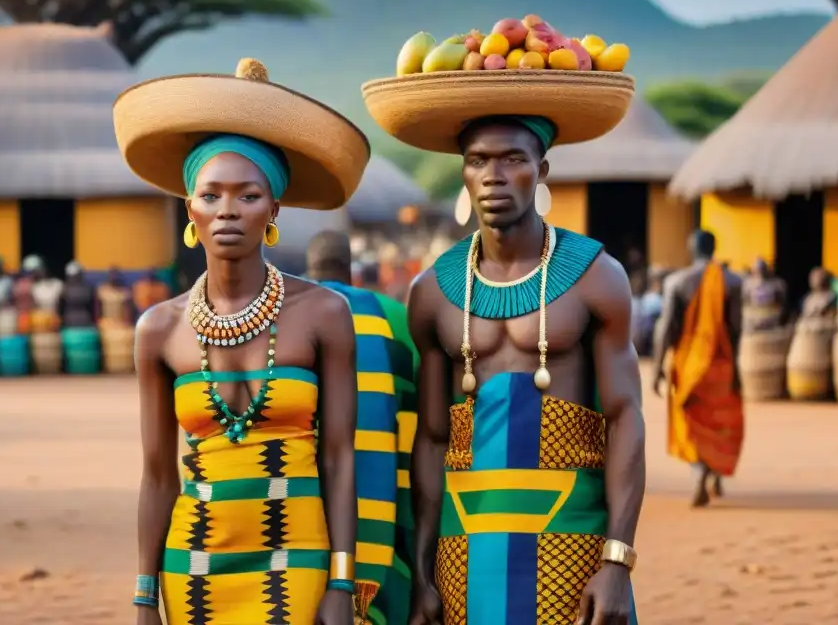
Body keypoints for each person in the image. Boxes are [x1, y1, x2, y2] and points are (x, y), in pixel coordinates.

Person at [364, 81, 644, 623]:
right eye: (478, 160)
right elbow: (432, 437)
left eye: (513, 158)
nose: (493, 174)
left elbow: (625, 416)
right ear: (464, 175)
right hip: (464, 542)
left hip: (573, 540)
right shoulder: (433, 291)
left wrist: (617, 559)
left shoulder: (595, 276)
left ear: (541, 170)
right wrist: (423, 568)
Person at [115, 58, 370, 625]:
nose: (227, 209)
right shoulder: (158, 329)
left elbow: (339, 456)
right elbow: (158, 474)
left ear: (274, 208)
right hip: (194, 565)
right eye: (210, 195)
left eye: (248, 195)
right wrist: (142, 596)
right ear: (190, 209)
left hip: (299, 557)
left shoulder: (325, 313)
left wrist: (342, 579)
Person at [305, 230, 419, 625]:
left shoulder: (287, 316)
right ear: (350, 269)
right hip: (386, 519)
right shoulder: (398, 320)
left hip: (301, 533)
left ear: (309, 268)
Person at [654, 230, 744, 508]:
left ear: (691, 249)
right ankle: (714, 472)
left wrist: (657, 367)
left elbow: (666, 328)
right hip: (721, 363)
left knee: (690, 421)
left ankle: (699, 473)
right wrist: (735, 367)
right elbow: (736, 329)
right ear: (714, 248)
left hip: (688, 363)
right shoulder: (733, 282)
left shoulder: (676, 282)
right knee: (720, 420)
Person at [742, 258, 785, 331]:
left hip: (771, 318)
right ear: (753, 270)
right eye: (757, 269)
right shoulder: (748, 284)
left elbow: (781, 302)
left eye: (761, 269)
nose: (759, 272)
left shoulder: (777, 284)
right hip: (754, 319)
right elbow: (745, 302)